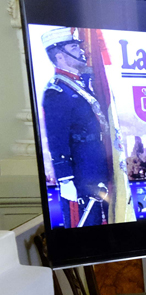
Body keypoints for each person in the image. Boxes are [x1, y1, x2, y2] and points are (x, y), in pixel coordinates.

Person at [41, 27, 112, 227]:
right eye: (74, 47)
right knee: (87, 226)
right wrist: (65, 180)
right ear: (60, 56)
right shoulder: (57, 92)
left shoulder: (83, 84)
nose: (82, 51)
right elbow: (57, 139)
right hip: (80, 172)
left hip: (98, 165)